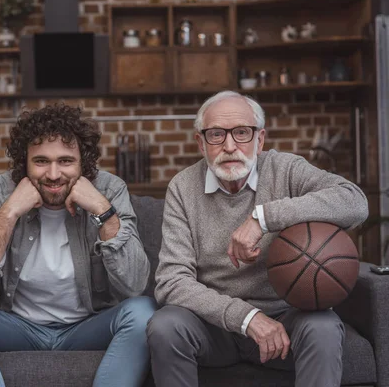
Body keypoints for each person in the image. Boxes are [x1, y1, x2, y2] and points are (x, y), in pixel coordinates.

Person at [147, 90, 368, 387]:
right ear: (201, 143)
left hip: (287, 319)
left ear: (260, 140)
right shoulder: (183, 187)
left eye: (241, 133)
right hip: (214, 326)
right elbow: (172, 282)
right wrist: (247, 318)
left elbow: (355, 202)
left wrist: (262, 218)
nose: (229, 146)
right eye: (215, 135)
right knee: (165, 325)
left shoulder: (285, 169)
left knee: (324, 327)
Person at [0, 103, 155, 387]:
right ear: (23, 162)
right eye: (40, 161)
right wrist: (10, 211)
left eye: (65, 161)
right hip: (16, 327)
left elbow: (135, 284)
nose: (53, 174)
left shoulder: (110, 190)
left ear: (83, 163)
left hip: (89, 326)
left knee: (144, 312)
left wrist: (102, 209)